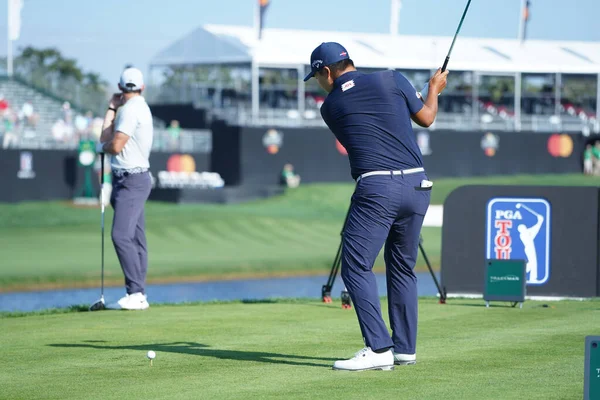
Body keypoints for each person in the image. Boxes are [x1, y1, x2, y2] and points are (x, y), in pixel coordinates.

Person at [304, 42, 447, 371]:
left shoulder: (330, 107)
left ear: (327, 72)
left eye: (317, 76)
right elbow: (426, 117)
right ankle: (405, 350)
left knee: (355, 267)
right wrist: (433, 89)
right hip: (417, 184)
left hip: (378, 187)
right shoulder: (393, 79)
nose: (319, 82)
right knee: (402, 268)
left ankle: (379, 347)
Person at [96, 67, 154, 310]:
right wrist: (112, 108)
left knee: (120, 235)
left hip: (132, 180)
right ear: (142, 87)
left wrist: (103, 149)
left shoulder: (131, 110)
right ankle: (138, 294)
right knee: (135, 237)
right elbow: (105, 137)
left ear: (120, 88)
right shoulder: (133, 108)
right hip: (130, 180)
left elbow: (114, 144)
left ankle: (136, 292)